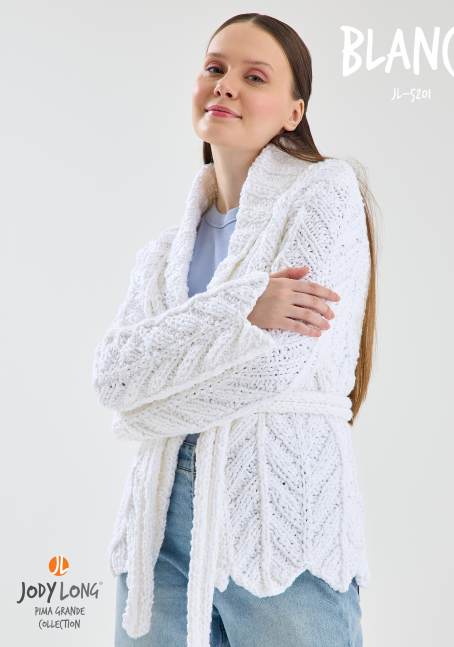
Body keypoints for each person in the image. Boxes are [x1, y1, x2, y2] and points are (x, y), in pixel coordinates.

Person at [92, 12, 378, 647]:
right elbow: (112, 379)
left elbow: (276, 365)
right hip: (157, 530)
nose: (225, 85)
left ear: (294, 111)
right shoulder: (161, 255)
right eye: (215, 68)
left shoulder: (326, 192)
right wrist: (246, 306)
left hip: (283, 518)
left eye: (254, 76)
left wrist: (149, 405)